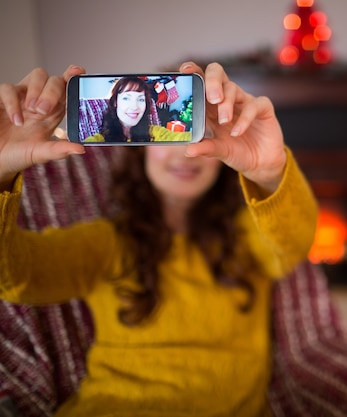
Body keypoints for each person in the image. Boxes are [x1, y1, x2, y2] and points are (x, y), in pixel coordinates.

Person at [0, 62, 318, 416]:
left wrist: (271, 171)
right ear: (140, 146)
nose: (183, 153)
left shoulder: (249, 235)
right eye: (168, 137)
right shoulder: (105, 242)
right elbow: (15, 278)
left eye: (195, 135)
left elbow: (295, 242)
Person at [83, 75, 191, 143]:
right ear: (116, 102)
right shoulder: (101, 139)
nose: (135, 106)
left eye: (140, 100)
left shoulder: (154, 132)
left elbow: (179, 137)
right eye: (126, 98)